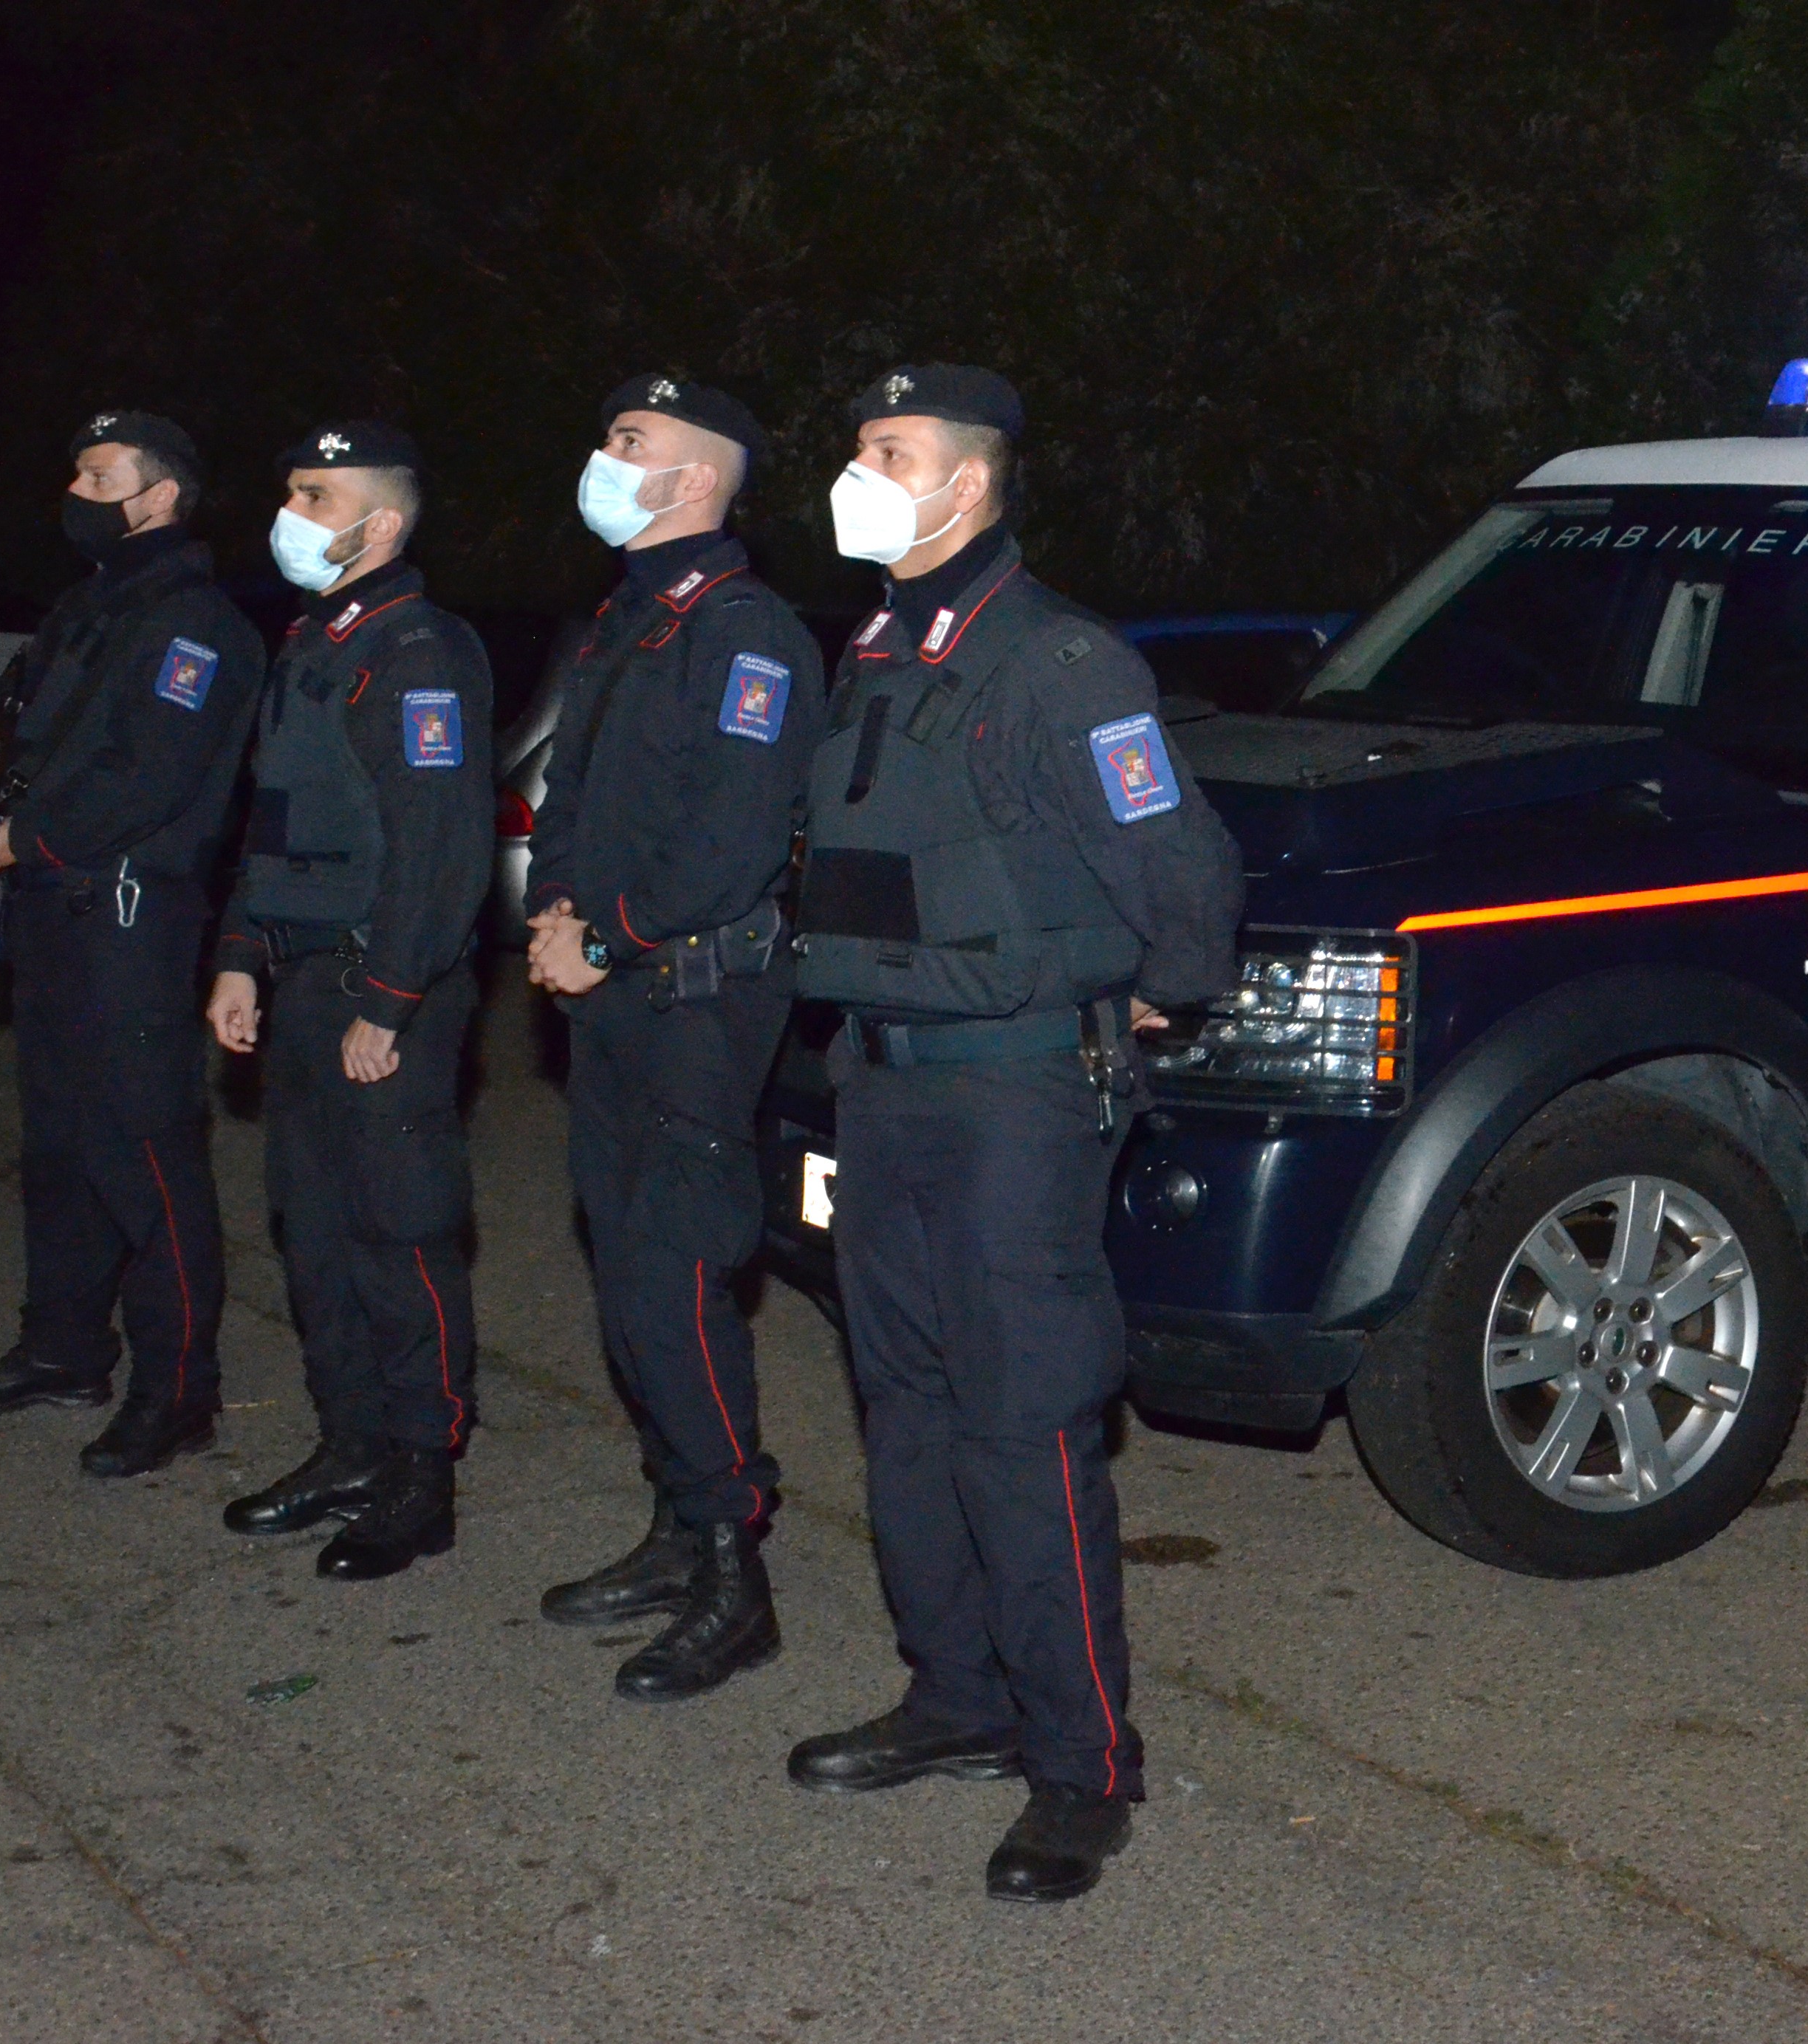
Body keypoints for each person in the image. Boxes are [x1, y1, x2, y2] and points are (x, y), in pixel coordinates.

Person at [782, 365, 1242, 1903]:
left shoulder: (1056, 660)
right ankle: (957, 1695)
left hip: (1012, 1096)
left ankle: (1080, 1764)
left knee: (1023, 1415)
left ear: (968, 486)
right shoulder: (878, 647)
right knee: (902, 1404)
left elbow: (1180, 868)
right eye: (859, 447)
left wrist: (1154, 993)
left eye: (892, 452)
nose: (861, 471)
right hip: (885, 1081)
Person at [524, 374, 826, 1698]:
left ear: (695, 478)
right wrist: (554, 919)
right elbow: (568, 794)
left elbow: (736, 838)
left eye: (630, 443)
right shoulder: (631, 621)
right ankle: (673, 1522)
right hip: (614, 987)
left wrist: (610, 934)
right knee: (626, 1267)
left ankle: (729, 1572)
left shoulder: (745, 633)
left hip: (695, 995)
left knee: (679, 1270)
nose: (605, 458)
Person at [0, 411, 264, 1476]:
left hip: (127, 916)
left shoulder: (196, 627)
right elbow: (24, 688)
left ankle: (177, 1393)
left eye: (97, 473)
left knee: (146, 1158)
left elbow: (149, 779)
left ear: (158, 498)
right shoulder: (92, 604)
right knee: (61, 1151)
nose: (74, 488)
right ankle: (63, 1350)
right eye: (74, 467)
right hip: (51, 913)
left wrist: (17, 840)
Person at [204, 421, 493, 1580]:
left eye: (315, 495)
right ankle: (349, 1443)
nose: (291, 513)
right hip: (302, 980)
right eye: (289, 489)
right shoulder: (316, 643)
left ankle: (422, 1471)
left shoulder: (418, 650)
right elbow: (270, 825)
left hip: (384, 986)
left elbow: (440, 842)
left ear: (378, 523)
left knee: (399, 1227)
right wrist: (238, 952)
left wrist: (391, 996)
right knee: (313, 1228)